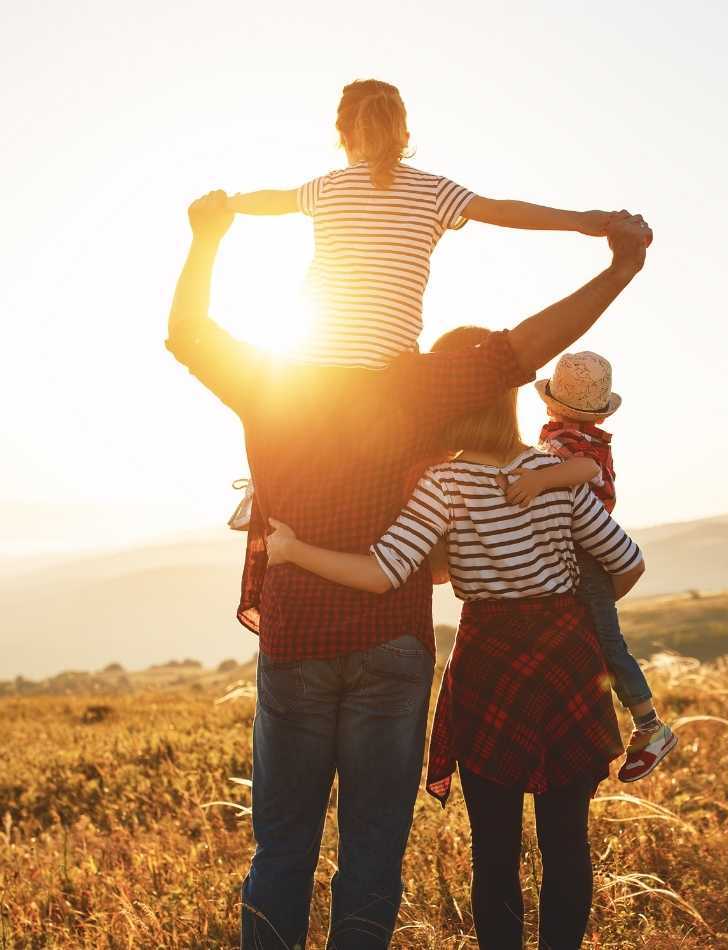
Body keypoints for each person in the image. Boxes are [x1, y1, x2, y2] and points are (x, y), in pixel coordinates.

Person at [166, 190, 651, 949]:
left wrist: (207, 237)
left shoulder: (272, 382)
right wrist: (619, 267)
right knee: (373, 854)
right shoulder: (424, 392)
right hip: (405, 647)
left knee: (284, 846)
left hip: (299, 638)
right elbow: (523, 352)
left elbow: (188, 332)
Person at [263, 326, 646, 948]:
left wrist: (294, 549)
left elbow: (382, 573)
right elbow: (627, 560)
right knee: (567, 842)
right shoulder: (556, 474)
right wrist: (573, 611)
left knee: (495, 848)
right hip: (568, 659)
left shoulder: (444, 483)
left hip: (491, 661)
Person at [228, 78, 618, 368]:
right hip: (389, 369)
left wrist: (227, 204)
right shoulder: (433, 191)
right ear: (404, 135)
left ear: (343, 135)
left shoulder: (328, 187)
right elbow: (502, 211)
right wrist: (580, 221)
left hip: (310, 362)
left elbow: (272, 200)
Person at [504, 350, 676, 781]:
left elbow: (582, 470)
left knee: (607, 643)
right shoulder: (573, 436)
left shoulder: (575, 445)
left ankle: (650, 726)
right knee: (589, 641)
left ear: (550, 402)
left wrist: (539, 480)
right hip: (579, 551)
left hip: (585, 551)